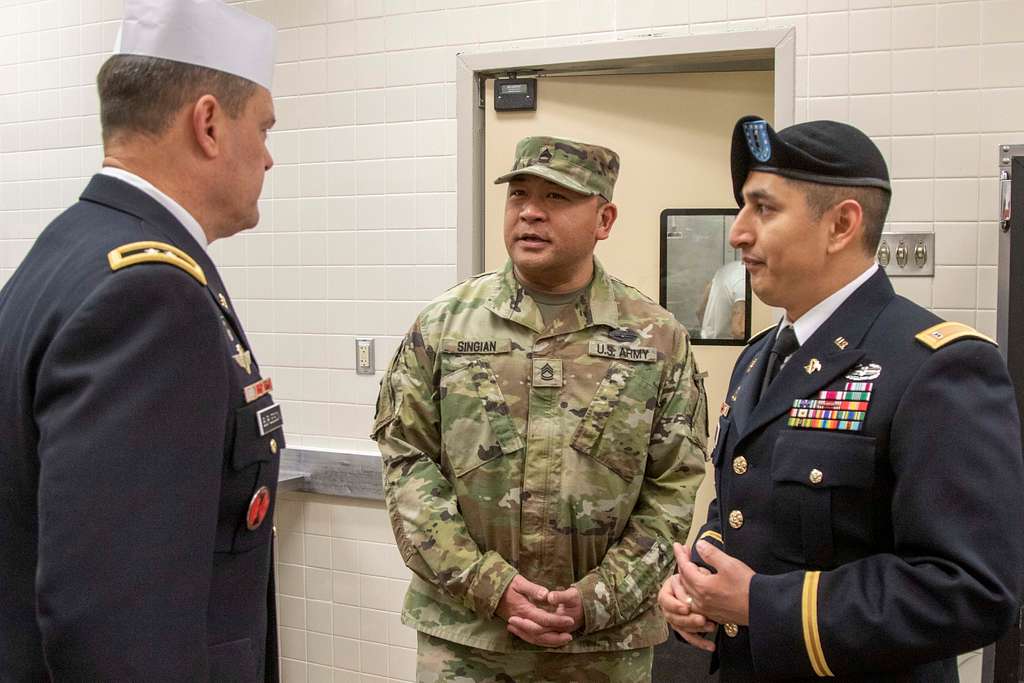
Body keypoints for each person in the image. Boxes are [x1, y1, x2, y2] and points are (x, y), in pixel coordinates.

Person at [658, 116, 1024, 681]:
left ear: (841, 225)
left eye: (764, 208)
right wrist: (700, 579)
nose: (738, 232)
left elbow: (973, 591)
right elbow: (745, 507)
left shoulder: (937, 366)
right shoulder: (759, 358)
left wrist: (760, 603)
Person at [0, 1, 283, 679]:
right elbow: (121, 625)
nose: (270, 158)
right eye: (264, 128)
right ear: (209, 123)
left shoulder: (69, 250)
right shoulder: (151, 297)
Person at [373, 136, 709, 681]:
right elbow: (406, 465)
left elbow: (674, 485)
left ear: (604, 219)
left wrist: (600, 598)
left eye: (557, 197)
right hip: (468, 641)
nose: (530, 211)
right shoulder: (443, 326)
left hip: (604, 646)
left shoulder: (656, 338)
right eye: (520, 195)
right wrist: (488, 584)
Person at [697, 259, 745, 340]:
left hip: (709, 344)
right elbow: (739, 330)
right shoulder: (744, 280)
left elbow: (700, 311)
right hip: (728, 347)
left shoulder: (726, 270)